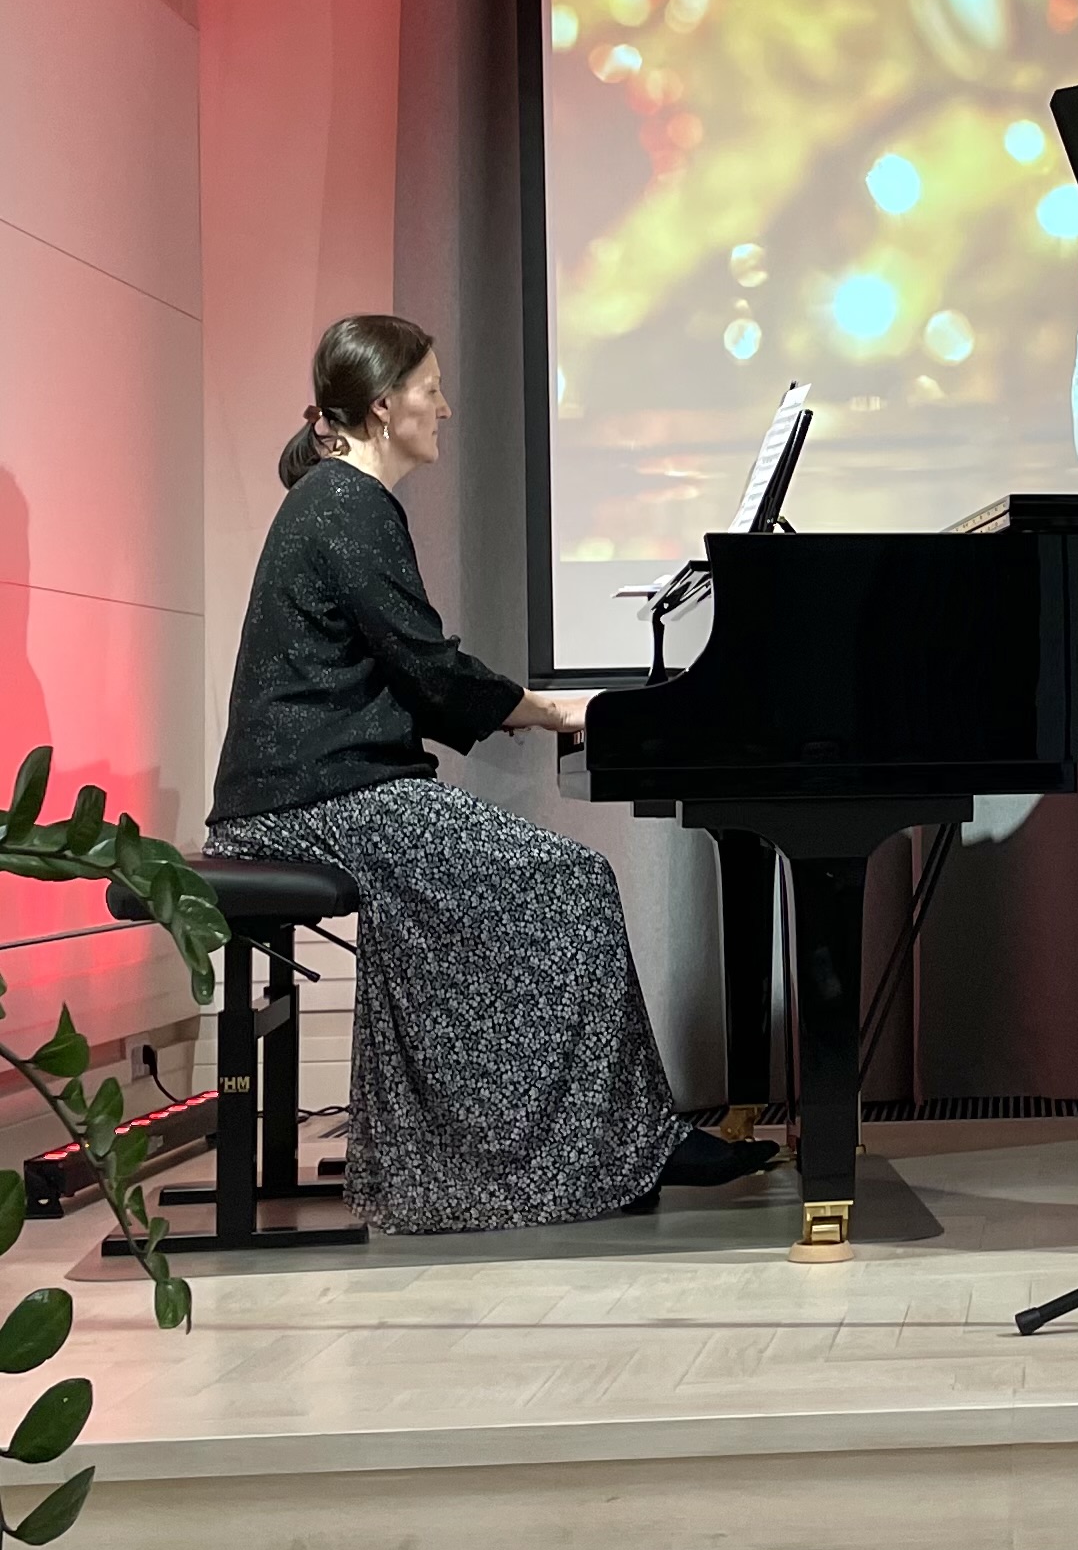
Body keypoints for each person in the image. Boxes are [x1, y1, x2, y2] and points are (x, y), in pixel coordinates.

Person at [207, 315, 775, 1235]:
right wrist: (549, 708)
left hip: (321, 790)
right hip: (312, 802)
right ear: (383, 406)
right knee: (572, 879)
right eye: (430, 389)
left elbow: (415, 670)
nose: (445, 408)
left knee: (549, 883)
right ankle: (592, 1150)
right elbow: (427, 667)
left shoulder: (337, 500)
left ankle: (595, 1141)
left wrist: (525, 704)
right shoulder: (346, 503)